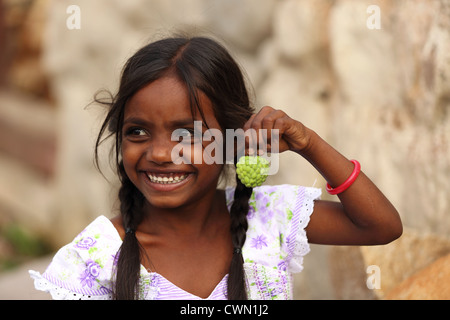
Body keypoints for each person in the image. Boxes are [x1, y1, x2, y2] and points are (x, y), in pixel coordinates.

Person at [29, 36, 402, 300]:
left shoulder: (266, 220)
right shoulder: (93, 259)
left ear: (232, 140)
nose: (160, 153)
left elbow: (381, 226)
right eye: (138, 131)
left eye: (187, 134)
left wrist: (310, 143)